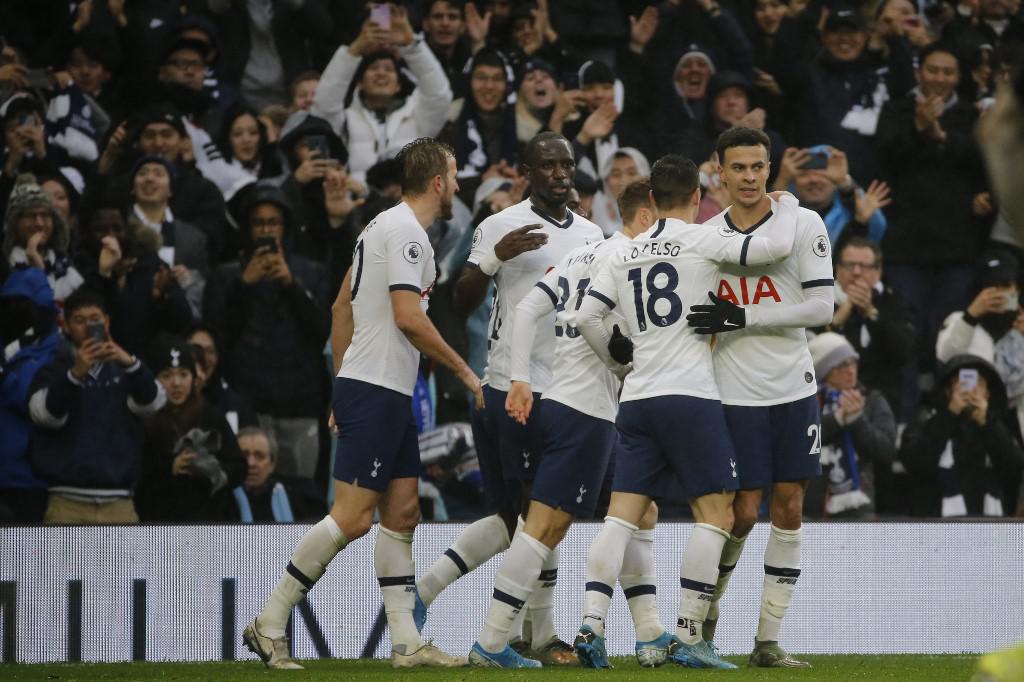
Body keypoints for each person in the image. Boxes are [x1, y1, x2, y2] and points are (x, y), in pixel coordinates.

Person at [244, 138, 481, 670]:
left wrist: (340, 382)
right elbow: (408, 317)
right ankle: (269, 621)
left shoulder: (379, 226)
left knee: (403, 513)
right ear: (437, 182)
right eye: (453, 176)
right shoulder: (407, 234)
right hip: (375, 389)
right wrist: (465, 371)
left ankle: (407, 644)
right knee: (352, 519)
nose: (457, 186)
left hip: (379, 389)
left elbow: (339, 308)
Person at [574, 153, 800, 670]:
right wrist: (785, 205)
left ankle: (591, 623)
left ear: (651, 199)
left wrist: (618, 363)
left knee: (620, 516)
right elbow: (775, 247)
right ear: (698, 197)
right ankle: (689, 635)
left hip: (637, 399)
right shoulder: (703, 239)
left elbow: (587, 316)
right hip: (691, 396)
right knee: (716, 514)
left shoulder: (624, 250)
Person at [413, 133, 603, 662]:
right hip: (510, 384)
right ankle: (531, 635)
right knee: (535, 512)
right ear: (526, 171)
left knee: (518, 517)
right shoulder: (500, 225)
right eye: (548, 165)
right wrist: (494, 258)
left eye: (567, 165)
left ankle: (435, 596)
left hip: (565, 383)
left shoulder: (591, 233)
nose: (560, 174)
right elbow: (460, 298)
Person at [467, 180, 656, 668]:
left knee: (639, 511)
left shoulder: (582, 254)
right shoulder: (626, 259)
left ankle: (649, 633)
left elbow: (528, 308)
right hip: (586, 411)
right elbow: (595, 323)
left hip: (560, 401)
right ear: (645, 216)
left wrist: (522, 380)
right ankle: (491, 643)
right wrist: (620, 366)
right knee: (543, 527)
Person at [691, 126, 835, 668]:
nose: (749, 177)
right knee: (743, 513)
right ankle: (708, 611)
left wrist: (744, 316)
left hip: (793, 387)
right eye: (738, 168)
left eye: (757, 167)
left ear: (769, 169)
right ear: (720, 172)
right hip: (734, 391)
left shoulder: (804, 223)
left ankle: (768, 640)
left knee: (790, 505)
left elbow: (822, 307)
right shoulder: (709, 236)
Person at [203, 183, 329, 483]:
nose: (266, 230)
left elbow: (322, 333)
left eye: (273, 222)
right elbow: (216, 338)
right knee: (248, 489)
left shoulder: (312, 273)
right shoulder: (225, 276)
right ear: (247, 228)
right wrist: (244, 286)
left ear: (286, 226)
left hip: (299, 404)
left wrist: (291, 285)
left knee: (300, 492)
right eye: (258, 223)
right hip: (248, 403)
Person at [876, 43, 986, 369]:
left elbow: (981, 163)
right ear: (918, 73)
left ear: (958, 77)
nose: (940, 78)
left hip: (958, 247)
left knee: (952, 333)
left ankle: (948, 396)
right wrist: (918, 128)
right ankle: (906, 401)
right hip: (905, 246)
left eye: (948, 72)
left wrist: (943, 137)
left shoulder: (971, 115)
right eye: (933, 70)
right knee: (906, 332)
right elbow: (885, 159)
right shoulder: (896, 110)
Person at [27, 288, 166, 524]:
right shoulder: (52, 370)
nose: (88, 326)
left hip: (119, 502)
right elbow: (45, 416)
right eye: (79, 320)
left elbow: (153, 403)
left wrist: (130, 363)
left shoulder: (127, 370)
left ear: (107, 322)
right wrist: (74, 375)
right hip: (66, 502)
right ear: (66, 326)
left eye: (95, 319)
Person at [312, 6, 452, 182]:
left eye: (389, 69)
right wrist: (353, 51)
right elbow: (323, 108)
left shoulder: (418, 118)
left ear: (398, 85)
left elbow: (439, 96)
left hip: (409, 198)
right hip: (359, 197)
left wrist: (412, 46)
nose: (381, 73)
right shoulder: (347, 119)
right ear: (360, 83)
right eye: (373, 68)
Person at [136, 335, 244, 523]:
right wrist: (170, 468)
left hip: (208, 520)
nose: (176, 383)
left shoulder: (211, 416)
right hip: (159, 522)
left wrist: (213, 471)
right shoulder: (144, 421)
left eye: (183, 374)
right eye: (167, 375)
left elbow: (239, 467)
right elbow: (137, 475)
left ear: (194, 379)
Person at [901, 354, 1024, 517]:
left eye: (979, 383)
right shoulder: (926, 422)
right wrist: (949, 414)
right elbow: (915, 462)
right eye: (961, 383)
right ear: (948, 391)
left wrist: (987, 424)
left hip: (991, 526)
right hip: (937, 524)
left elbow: (1015, 470)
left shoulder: (1001, 426)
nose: (970, 390)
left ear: (988, 393)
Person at [807, 332, 898, 518]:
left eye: (853, 362)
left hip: (859, 509)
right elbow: (798, 442)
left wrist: (857, 420)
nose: (850, 370)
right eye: (841, 365)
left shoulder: (872, 400)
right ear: (824, 370)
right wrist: (837, 419)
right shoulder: (808, 404)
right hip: (811, 509)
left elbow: (886, 450)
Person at [827, 237, 916, 419]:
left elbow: (904, 352)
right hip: (829, 401)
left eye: (864, 266)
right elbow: (812, 352)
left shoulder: (893, 302)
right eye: (849, 265)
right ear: (838, 269)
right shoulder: (821, 301)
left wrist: (870, 312)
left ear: (878, 272)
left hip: (883, 402)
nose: (856, 272)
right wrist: (839, 318)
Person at [0, 268, 59, 523]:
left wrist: (4, 378)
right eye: (9, 304)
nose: (15, 311)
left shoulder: (57, 352)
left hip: (28, 479)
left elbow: (40, 404)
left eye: (22, 304)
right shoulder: (8, 347)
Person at [3, 178, 83, 302]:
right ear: (14, 223)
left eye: (45, 215)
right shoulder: (5, 266)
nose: (39, 223)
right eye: (31, 215)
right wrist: (37, 273)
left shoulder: (68, 265)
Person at [233, 426, 323, 523]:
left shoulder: (302, 497)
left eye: (259, 456)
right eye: (244, 456)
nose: (251, 463)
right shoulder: (223, 500)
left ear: (272, 464)